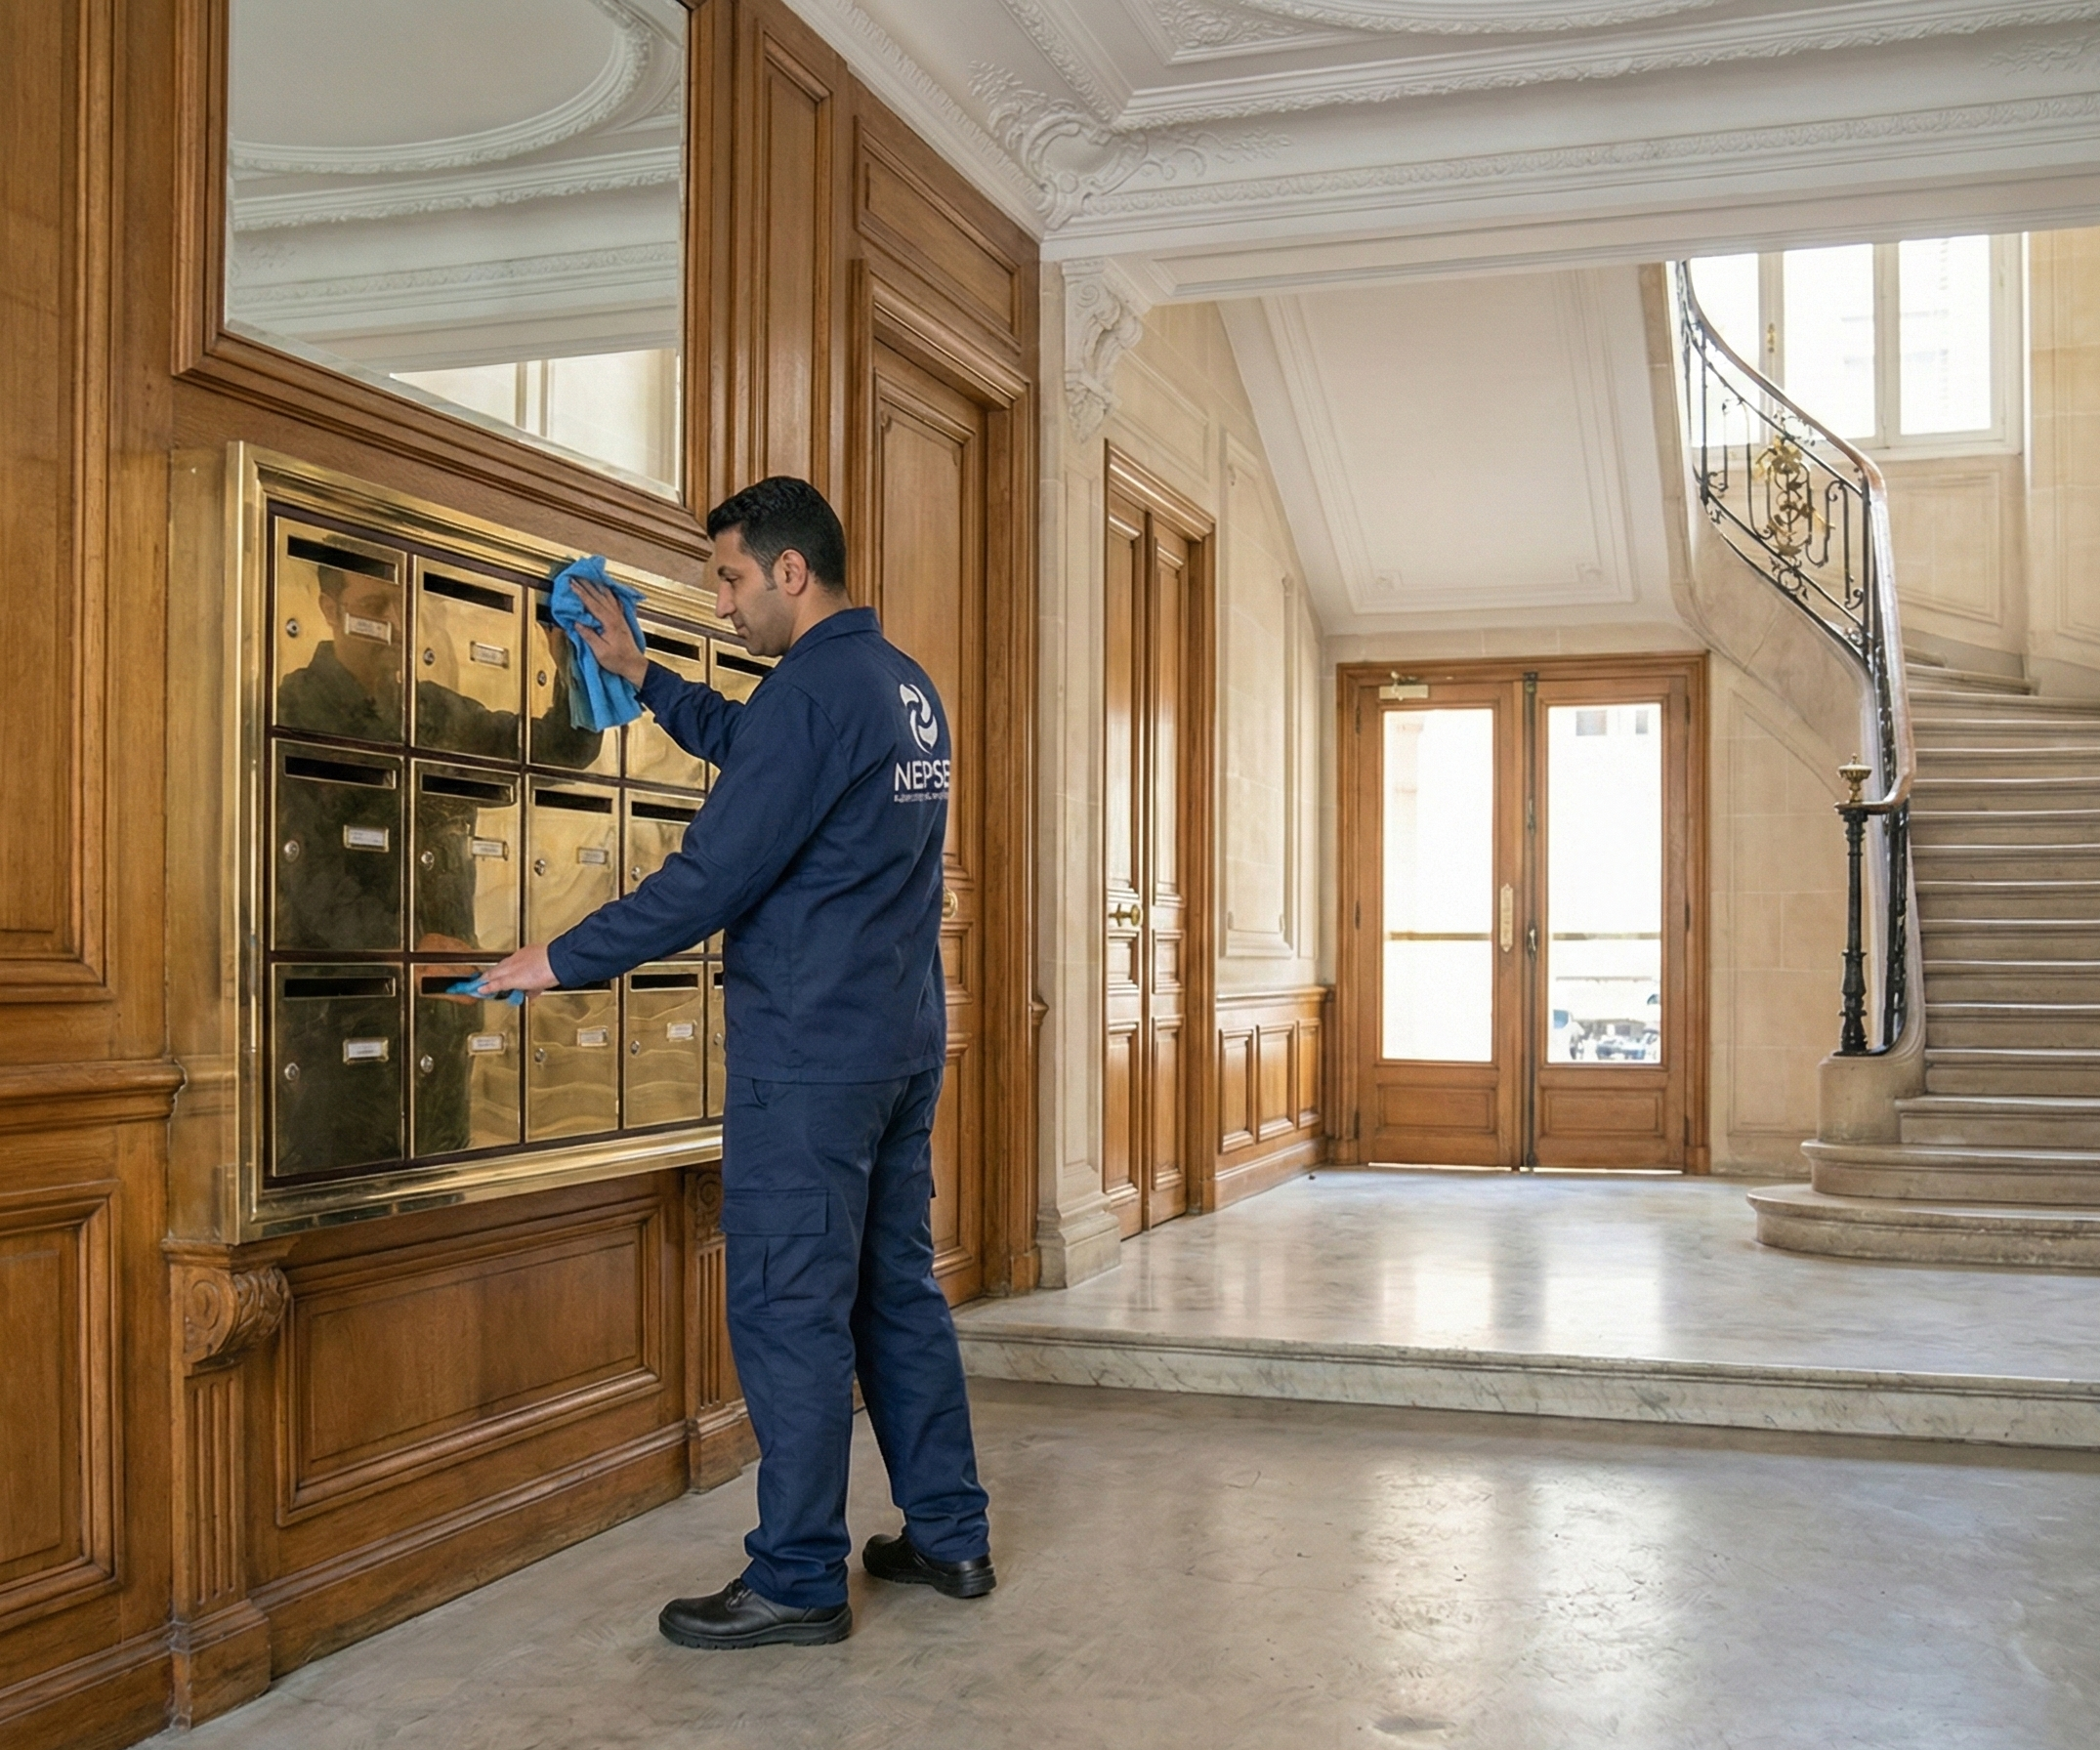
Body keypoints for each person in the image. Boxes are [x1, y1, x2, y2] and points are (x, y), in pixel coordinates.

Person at [475, 476, 992, 1649]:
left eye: (729, 578)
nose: (720, 603)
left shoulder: (816, 694)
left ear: (790, 572)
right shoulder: (900, 687)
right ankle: (949, 1531)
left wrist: (556, 956)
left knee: (787, 1309)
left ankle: (800, 1575)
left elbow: (711, 876)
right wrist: (643, 671)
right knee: (891, 1291)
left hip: (808, 1061)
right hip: (898, 1047)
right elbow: (758, 747)